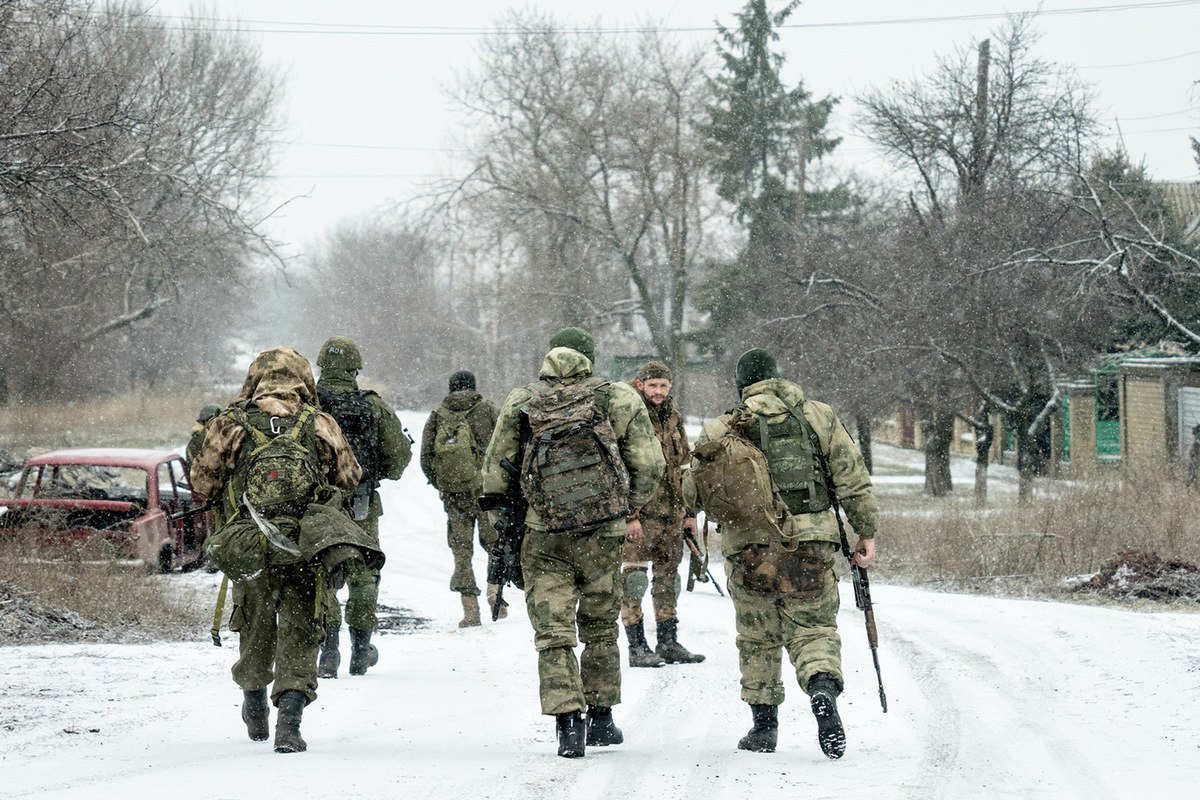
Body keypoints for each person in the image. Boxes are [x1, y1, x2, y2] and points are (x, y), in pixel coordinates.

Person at [480, 327, 665, 758]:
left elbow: (495, 472)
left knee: (554, 631)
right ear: (590, 358)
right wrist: (621, 505)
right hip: (602, 532)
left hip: (543, 533)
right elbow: (650, 464)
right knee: (600, 624)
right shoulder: (617, 396)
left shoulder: (522, 400)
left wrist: (506, 527)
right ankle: (601, 719)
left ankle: (567, 723)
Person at [684, 348, 878, 759]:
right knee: (813, 627)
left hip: (749, 547)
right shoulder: (818, 416)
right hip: (812, 541)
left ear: (742, 386)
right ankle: (822, 684)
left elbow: (692, 492)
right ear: (779, 376)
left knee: (757, 636)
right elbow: (852, 478)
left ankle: (763, 728)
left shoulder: (723, 427)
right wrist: (866, 532)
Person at [191, 346, 362, 753]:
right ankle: (290, 722)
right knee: (303, 629)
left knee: (253, 623)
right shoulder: (319, 423)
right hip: (303, 544)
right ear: (304, 379)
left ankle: (253, 697)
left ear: (254, 379)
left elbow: (203, 483)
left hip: (249, 544)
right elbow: (349, 478)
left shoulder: (230, 423)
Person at [314, 336, 411, 678]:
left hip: (317, 506)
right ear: (355, 368)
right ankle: (360, 649)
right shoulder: (372, 406)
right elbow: (398, 461)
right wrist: (370, 472)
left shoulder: (306, 405)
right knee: (363, 574)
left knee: (321, 574)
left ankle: (328, 651)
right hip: (361, 502)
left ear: (321, 366)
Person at [621, 360, 704, 667]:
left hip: (672, 512)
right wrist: (630, 515)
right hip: (639, 516)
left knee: (669, 578)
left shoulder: (673, 416)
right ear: (640, 384)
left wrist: (690, 511)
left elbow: (685, 467)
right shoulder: (628, 414)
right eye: (652, 385)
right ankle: (637, 646)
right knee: (634, 579)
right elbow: (620, 469)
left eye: (663, 386)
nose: (658, 391)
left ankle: (668, 642)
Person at [419, 370, 500, 627]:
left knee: (462, 552)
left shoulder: (437, 416)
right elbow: (505, 447)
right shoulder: (488, 410)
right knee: (495, 545)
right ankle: (494, 594)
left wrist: (443, 483)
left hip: (455, 496)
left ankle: (470, 611)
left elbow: (425, 459)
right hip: (487, 493)